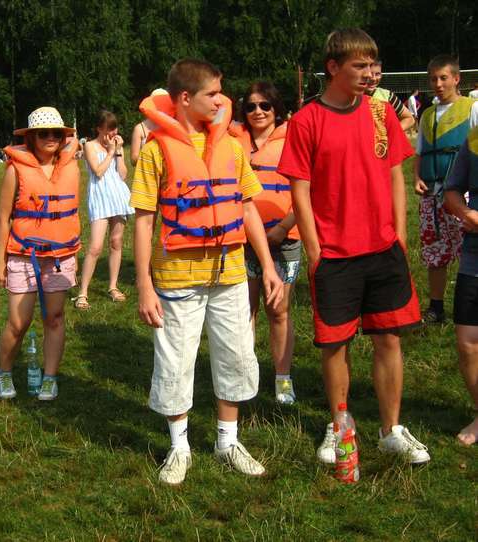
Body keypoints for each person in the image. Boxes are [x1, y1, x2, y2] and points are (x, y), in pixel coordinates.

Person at [278, 28, 430, 465]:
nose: (370, 73)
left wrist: (399, 234)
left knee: (388, 339)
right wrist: (314, 249)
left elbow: (395, 175)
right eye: (359, 65)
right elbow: (300, 190)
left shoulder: (381, 113)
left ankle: (391, 430)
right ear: (333, 68)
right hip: (335, 256)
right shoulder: (307, 120)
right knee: (336, 345)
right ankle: (340, 426)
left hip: (383, 250)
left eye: (372, 64)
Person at [132, 58, 284, 485]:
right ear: (185, 98)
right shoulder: (156, 150)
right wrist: (144, 285)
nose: (221, 101)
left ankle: (227, 441)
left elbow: (248, 208)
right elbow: (144, 220)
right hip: (177, 278)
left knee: (236, 355)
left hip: (230, 273)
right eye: (212, 94)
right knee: (176, 362)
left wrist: (267, 267)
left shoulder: (231, 147)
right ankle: (179, 447)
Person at [0, 107, 81, 401]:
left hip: (59, 257)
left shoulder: (71, 168)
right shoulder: (14, 170)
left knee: (54, 318)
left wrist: (74, 255)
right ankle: (5, 372)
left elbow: (73, 213)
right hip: (23, 255)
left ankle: (50, 378)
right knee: (18, 323)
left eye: (57, 133)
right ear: (31, 137)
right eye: (44, 133)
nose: (51, 138)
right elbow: (2, 218)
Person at [229, 81, 301, 405]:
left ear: (276, 108)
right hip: (242, 239)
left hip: (285, 239)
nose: (258, 111)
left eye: (265, 105)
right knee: (245, 309)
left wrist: (284, 228)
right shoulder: (233, 140)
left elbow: (307, 192)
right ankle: (245, 374)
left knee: (279, 310)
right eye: (250, 106)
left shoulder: (294, 139)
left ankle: (283, 378)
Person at [413, 54, 478, 323]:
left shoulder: (472, 109)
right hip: (432, 194)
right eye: (433, 79)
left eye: (443, 78)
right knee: (434, 250)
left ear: (456, 79)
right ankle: (436, 307)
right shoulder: (427, 115)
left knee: (469, 248)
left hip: (462, 195)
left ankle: (470, 304)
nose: (438, 84)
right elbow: (420, 151)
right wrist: (416, 177)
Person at [73, 111, 134, 309]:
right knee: (96, 246)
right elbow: (98, 172)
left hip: (118, 196)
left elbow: (123, 175)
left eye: (115, 128)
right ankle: (83, 293)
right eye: (109, 128)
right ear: (99, 128)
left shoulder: (117, 146)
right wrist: (110, 152)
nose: (113, 132)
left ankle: (113, 286)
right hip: (100, 197)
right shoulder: (89, 146)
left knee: (116, 242)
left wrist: (118, 152)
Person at [444, 127, 478, 445]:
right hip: (473, 259)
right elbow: (452, 190)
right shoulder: (475, 138)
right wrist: (466, 212)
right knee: (468, 342)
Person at [366, 60, 415, 131]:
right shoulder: (352, 96)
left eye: (377, 74)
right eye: (370, 73)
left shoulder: (387, 96)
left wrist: (391, 133)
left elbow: (409, 119)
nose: (373, 78)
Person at [129, 88, 168, 166]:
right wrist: (151, 157)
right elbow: (133, 159)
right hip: (147, 171)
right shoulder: (140, 129)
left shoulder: (170, 126)